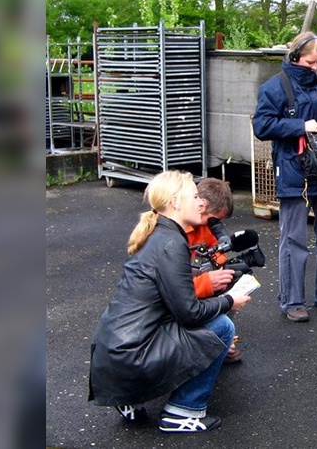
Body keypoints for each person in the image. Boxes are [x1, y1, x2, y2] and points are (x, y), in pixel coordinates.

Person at [88, 171, 251, 433]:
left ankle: (130, 395)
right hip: (131, 356)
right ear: (176, 202)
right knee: (222, 326)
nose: (201, 202)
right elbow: (189, 313)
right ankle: (183, 410)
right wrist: (230, 301)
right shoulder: (172, 242)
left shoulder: (157, 233)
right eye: (195, 196)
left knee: (198, 320)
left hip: (114, 352)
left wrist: (205, 278)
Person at [252, 32, 317, 322]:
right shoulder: (273, 88)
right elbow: (262, 126)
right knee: (294, 239)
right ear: (295, 56)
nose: (315, 68)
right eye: (310, 62)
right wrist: (302, 125)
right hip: (293, 172)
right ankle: (292, 301)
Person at [186, 178, 243, 363]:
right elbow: (177, 289)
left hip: (197, 280)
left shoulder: (207, 226)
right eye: (215, 220)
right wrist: (208, 281)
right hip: (184, 294)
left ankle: (222, 337)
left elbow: (218, 253)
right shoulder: (176, 233)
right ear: (201, 206)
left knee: (235, 277)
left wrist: (219, 262)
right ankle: (215, 339)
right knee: (222, 295)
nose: (217, 225)